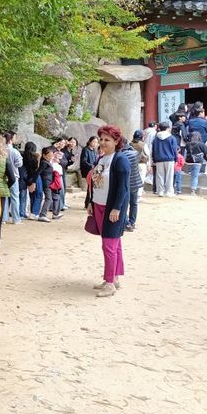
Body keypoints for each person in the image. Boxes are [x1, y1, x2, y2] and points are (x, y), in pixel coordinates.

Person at [88, 126, 130, 298]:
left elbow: (123, 187)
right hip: (98, 204)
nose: (103, 143)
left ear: (116, 142)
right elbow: (95, 182)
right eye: (102, 139)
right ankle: (114, 278)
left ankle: (110, 283)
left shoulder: (120, 160)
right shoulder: (101, 158)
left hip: (111, 207)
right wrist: (90, 201)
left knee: (109, 245)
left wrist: (117, 208)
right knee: (114, 244)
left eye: (107, 140)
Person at [120, 138, 142, 232]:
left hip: (125, 183)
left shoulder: (120, 155)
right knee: (134, 203)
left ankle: (126, 223)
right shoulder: (135, 154)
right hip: (135, 182)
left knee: (123, 204)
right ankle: (132, 222)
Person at [151, 122, 178, 197]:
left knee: (159, 175)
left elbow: (153, 149)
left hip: (159, 159)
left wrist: (154, 159)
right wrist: (176, 159)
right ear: (168, 128)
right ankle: (169, 191)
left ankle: (160, 191)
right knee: (169, 175)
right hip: (169, 159)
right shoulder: (172, 138)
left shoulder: (156, 138)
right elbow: (174, 150)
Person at [3, 132, 23, 224]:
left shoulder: (1, 150)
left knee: (5, 197)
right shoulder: (14, 151)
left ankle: (4, 218)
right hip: (14, 175)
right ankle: (16, 218)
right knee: (15, 197)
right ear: (11, 139)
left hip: (3, 176)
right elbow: (19, 163)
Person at [35, 147, 56, 222]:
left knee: (49, 198)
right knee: (48, 199)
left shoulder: (46, 162)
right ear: (44, 155)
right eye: (49, 156)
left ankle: (43, 214)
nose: (50, 157)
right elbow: (38, 172)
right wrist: (33, 182)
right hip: (46, 183)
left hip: (48, 182)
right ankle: (42, 215)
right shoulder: (44, 163)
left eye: (51, 156)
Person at [20, 142, 40, 219]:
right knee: (25, 197)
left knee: (21, 196)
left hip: (21, 177)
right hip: (29, 178)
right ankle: (23, 212)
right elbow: (35, 169)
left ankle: (21, 212)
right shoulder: (34, 157)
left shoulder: (22, 155)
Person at [80, 136, 99, 209]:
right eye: (94, 141)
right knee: (90, 187)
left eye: (96, 142)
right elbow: (84, 161)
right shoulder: (85, 149)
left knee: (90, 187)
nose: (95, 143)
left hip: (93, 170)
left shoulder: (94, 150)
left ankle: (88, 203)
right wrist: (92, 166)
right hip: (88, 171)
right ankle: (87, 204)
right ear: (90, 141)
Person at [50, 151, 64, 220]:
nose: (59, 160)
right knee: (56, 198)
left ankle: (55, 212)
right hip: (55, 184)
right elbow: (59, 176)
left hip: (50, 183)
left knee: (51, 198)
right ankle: (55, 213)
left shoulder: (50, 164)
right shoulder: (58, 166)